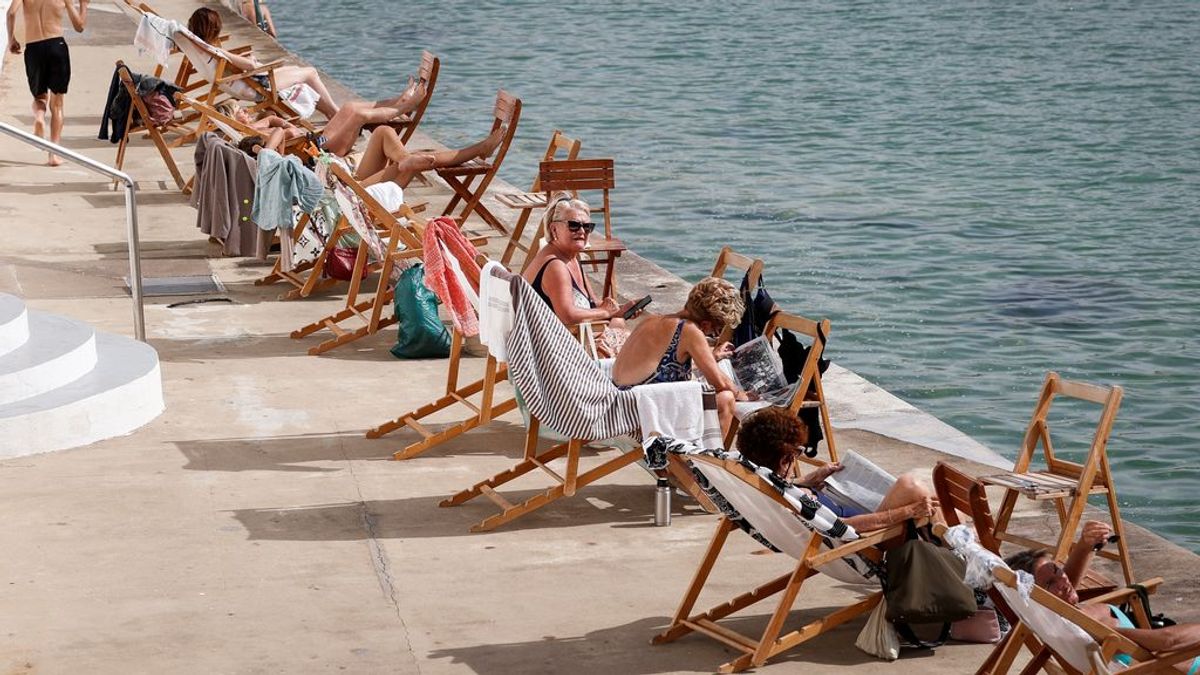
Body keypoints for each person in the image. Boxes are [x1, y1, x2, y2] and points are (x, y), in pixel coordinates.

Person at [187, 7, 425, 151]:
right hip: (257, 83)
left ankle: (397, 102)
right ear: (214, 29)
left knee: (347, 106)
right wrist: (242, 59)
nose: (245, 113)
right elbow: (247, 66)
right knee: (311, 75)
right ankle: (396, 106)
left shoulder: (204, 50)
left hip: (250, 82)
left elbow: (275, 123)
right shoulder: (215, 51)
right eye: (240, 112)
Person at [1006, 522, 1200, 673]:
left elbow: (1065, 583)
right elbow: (1167, 641)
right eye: (1050, 583)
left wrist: (1085, 545)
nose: (1063, 580)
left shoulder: (1057, 616)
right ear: (1037, 597)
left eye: (1058, 570)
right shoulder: (1090, 626)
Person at [735, 405, 939, 533]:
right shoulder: (798, 505)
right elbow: (844, 525)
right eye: (797, 453)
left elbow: (785, 488)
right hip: (870, 534)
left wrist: (808, 480)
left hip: (863, 514)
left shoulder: (767, 485)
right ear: (785, 459)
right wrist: (908, 511)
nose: (798, 458)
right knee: (912, 487)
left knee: (940, 504)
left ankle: (962, 552)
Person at [611, 276, 747, 437]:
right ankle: (709, 457)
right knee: (726, 399)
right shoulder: (689, 330)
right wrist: (743, 395)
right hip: (641, 417)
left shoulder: (652, 320)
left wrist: (711, 356)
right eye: (716, 331)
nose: (713, 335)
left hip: (622, 405)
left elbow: (661, 365)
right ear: (705, 324)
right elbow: (720, 384)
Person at [519, 193, 636, 357]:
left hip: (569, 337)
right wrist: (606, 313)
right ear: (554, 229)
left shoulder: (570, 257)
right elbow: (567, 315)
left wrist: (619, 310)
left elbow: (593, 303)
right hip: (552, 350)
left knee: (622, 325)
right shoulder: (555, 266)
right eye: (574, 225)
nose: (582, 231)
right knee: (638, 340)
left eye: (587, 227)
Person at [6, 0, 88, 166]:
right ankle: (54, 155)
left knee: (39, 97)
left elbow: (11, 13)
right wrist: (84, 5)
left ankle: (39, 117)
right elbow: (79, 26)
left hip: (34, 49)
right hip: (56, 45)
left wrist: (11, 40)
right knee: (57, 105)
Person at [352, 124, 504, 189]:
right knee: (417, 161)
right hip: (345, 201)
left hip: (342, 183)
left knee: (382, 131)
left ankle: (405, 158)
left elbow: (326, 141)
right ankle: (480, 148)